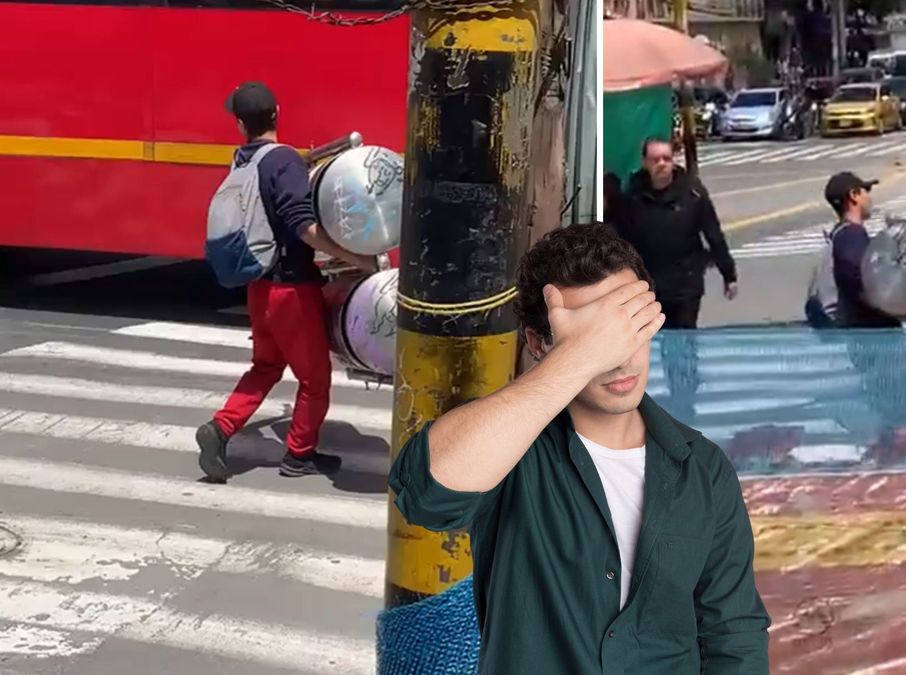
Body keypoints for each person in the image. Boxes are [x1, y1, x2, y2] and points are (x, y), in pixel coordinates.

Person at [389, 223, 770, 675]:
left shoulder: (703, 469)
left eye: (627, 327)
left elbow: (733, 634)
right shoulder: (513, 451)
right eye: (594, 338)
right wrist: (578, 356)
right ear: (538, 343)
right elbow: (427, 496)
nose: (620, 357)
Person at [196, 82, 377, 482]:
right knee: (315, 379)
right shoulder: (282, 160)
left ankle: (221, 427)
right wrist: (357, 260)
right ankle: (299, 455)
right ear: (277, 113)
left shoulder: (243, 160)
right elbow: (303, 227)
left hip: (259, 286)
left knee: (266, 365)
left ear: (241, 124)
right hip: (291, 290)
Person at [615, 138, 737, 330]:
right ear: (645, 163)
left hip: (685, 287)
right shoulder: (632, 197)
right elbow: (620, 241)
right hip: (647, 288)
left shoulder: (693, 193)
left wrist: (729, 275)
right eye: (655, 159)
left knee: (683, 347)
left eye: (666, 158)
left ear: (674, 160)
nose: (661, 164)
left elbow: (713, 235)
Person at [825, 171, 901, 329]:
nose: (869, 197)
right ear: (854, 195)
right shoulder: (851, 236)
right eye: (866, 190)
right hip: (869, 333)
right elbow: (864, 280)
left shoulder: (843, 234)